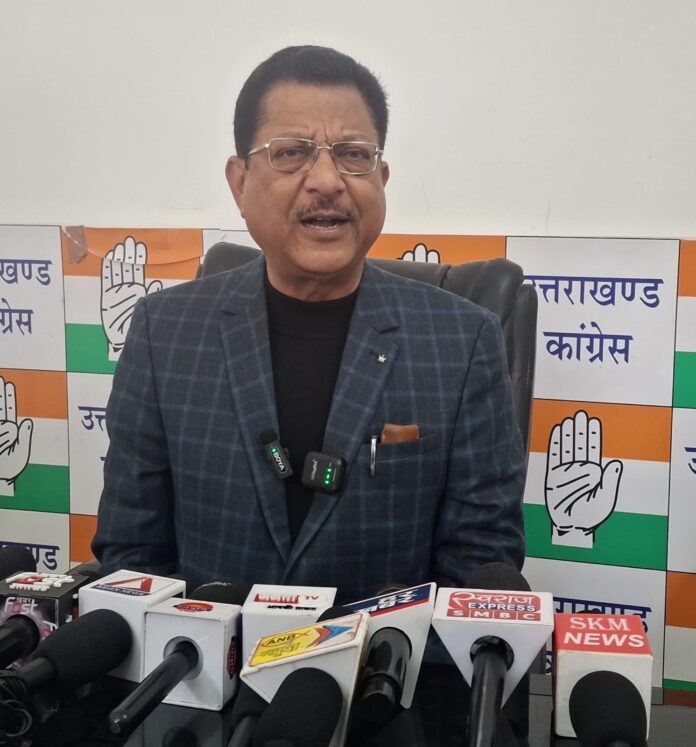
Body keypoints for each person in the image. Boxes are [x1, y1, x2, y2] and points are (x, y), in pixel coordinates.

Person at [92, 44, 525, 606]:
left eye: (353, 155)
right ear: (239, 181)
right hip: (204, 656)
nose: (327, 181)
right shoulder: (163, 332)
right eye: (291, 153)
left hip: (381, 659)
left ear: (382, 178)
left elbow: (479, 570)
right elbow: (131, 553)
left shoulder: (463, 341)